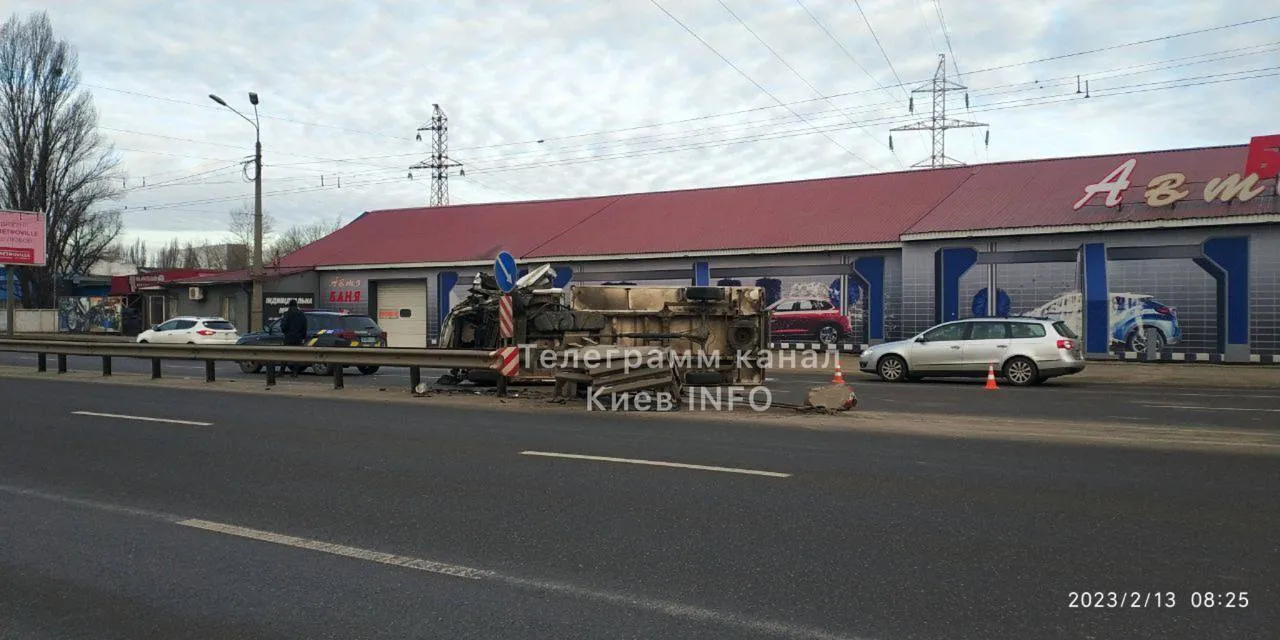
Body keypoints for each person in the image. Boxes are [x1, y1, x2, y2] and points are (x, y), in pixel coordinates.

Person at [279, 299, 307, 377]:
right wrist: (303, 336)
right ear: (296, 305)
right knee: (296, 355)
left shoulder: (287, 314)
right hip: (298, 337)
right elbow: (304, 326)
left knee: (284, 355)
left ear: (289, 305)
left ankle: (282, 371)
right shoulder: (301, 314)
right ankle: (295, 372)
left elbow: (284, 326)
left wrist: (286, 332)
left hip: (288, 337)